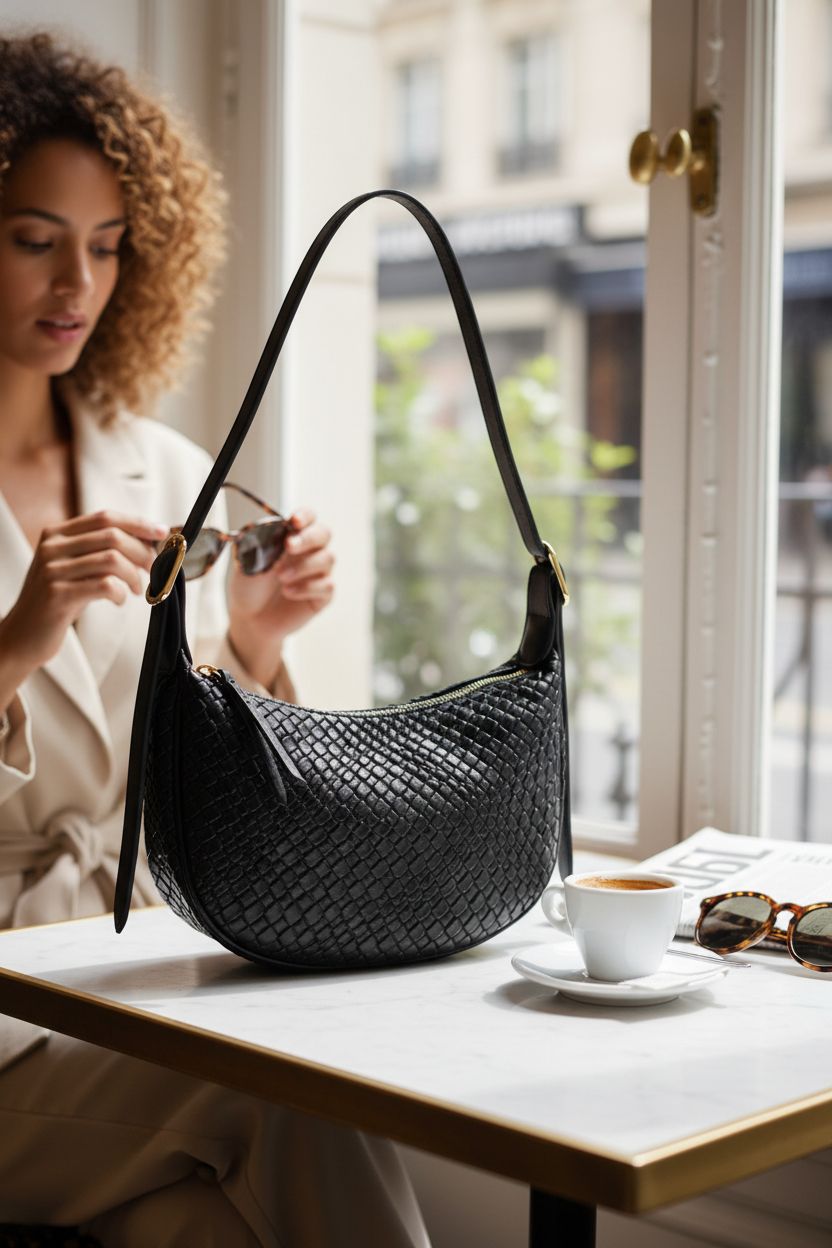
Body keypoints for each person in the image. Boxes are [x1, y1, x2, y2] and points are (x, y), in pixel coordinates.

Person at [0, 31, 430, 1248]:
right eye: (34, 239)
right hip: (12, 1020)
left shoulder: (165, 470)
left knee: (196, 1231)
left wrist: (253, 641)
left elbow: (206, 781)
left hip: (127, 976)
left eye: (106, 245)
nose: (75, 284)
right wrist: (16, 641)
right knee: (300, 1100)